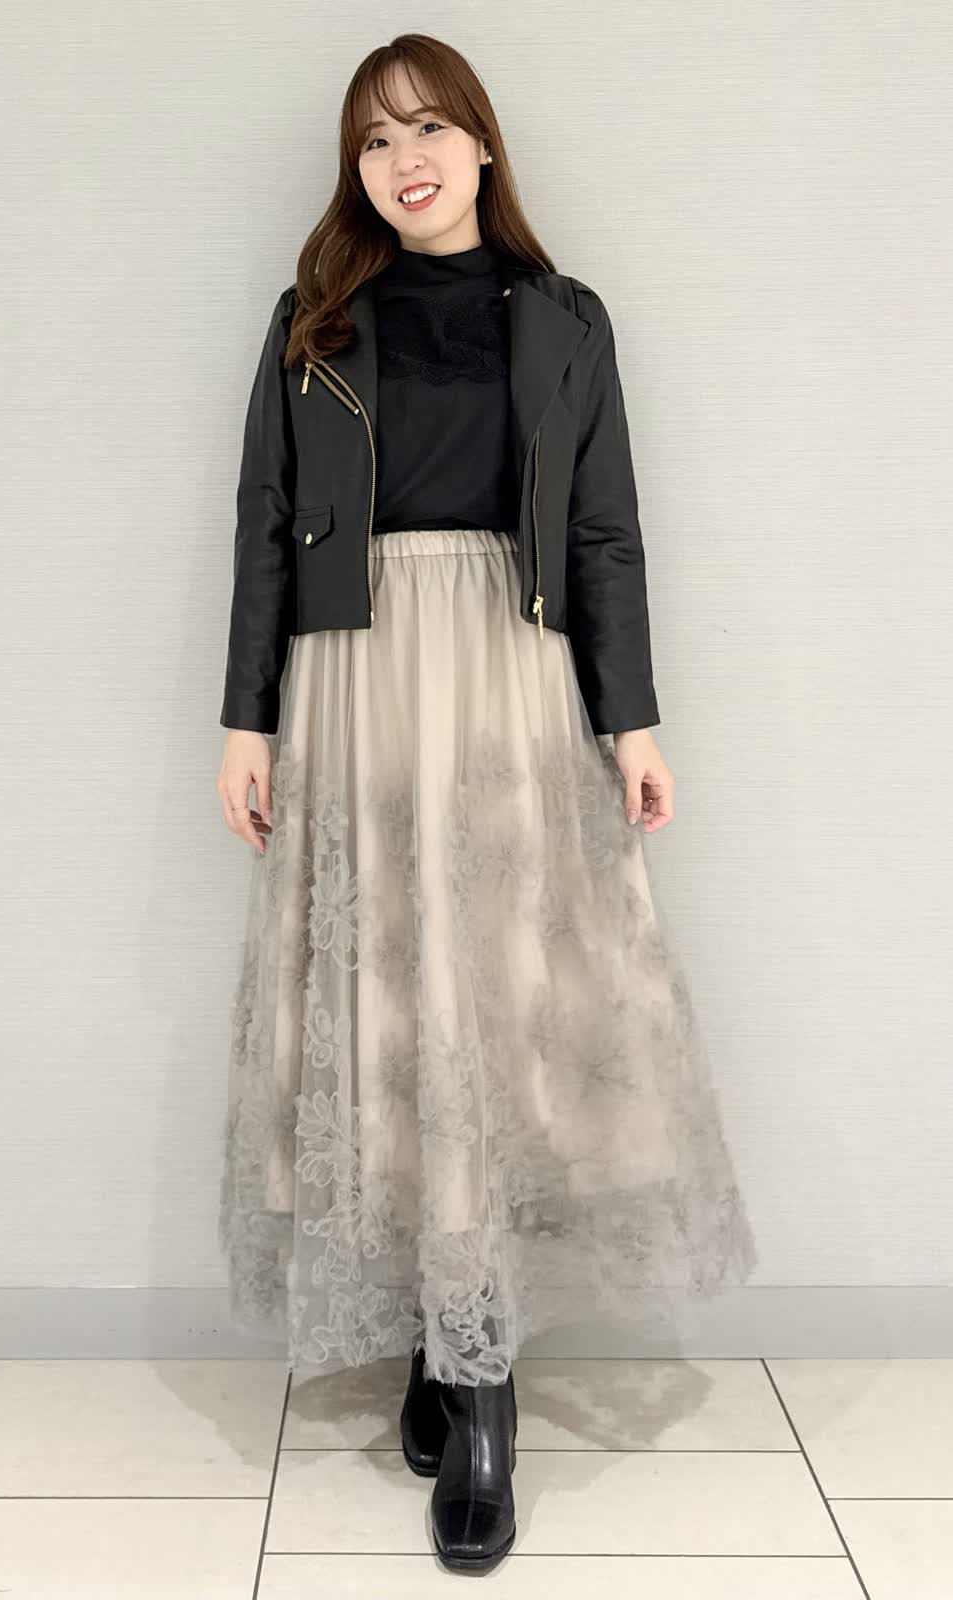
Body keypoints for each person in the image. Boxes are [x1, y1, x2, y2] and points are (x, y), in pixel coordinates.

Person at [215, 33, 758, 1575]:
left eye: (431, 127)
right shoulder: (314, 320)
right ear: (359, 169)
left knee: (502, 1004)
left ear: (483, 146)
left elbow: (606, 532)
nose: (408, 159)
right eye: (378, 139)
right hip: (356, 674)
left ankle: (483, 1388)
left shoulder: (565, 318)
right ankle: (438, 1344)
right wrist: (246, 719)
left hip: (511, 677)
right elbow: (266, 519)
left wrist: (632, 720)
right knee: (390, 1002)